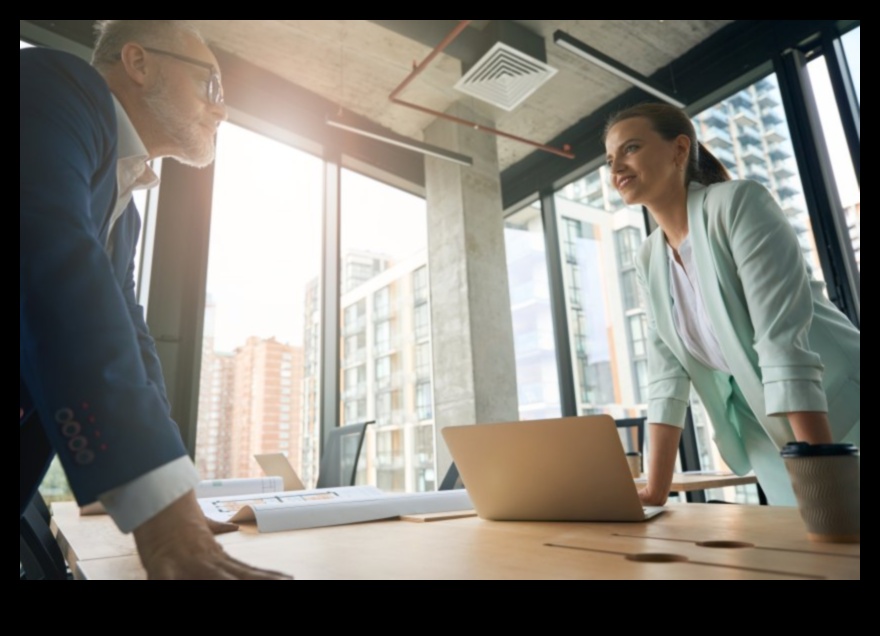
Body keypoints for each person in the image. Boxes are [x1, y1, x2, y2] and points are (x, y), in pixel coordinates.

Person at [21, 20, 290, 580]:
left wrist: (176, 495)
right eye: (212, 87)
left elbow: (133, 339)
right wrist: (162, 517)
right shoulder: (55, 86)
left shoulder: (126, 213)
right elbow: (55, 266)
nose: (222, 111)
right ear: (139, 64)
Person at [603, 103, 860, 506]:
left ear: (679, 149)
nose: (615, 166)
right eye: (609, 158)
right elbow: (666, 376)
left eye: (630, 148)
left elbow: (781, 344)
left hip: (836, 413)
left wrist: (824, 476)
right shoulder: (649, 258)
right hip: (766, 436)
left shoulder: (738, 204)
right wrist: (655, 490)